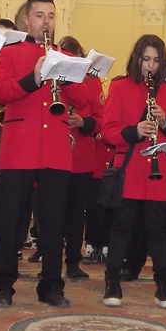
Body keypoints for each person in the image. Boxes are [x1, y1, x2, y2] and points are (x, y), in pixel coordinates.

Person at [0, 0, 89, 308]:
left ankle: (51, 286)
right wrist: (34, 76)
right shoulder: (10, 53)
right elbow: (1, 91)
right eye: (40, 15)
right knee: (10, 222)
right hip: (19, 149)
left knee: (53, 223)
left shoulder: (65, 55)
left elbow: (85, 97)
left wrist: (64, 74)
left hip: (55, 152)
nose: (46, 21)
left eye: (51, 16)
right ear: (27, 19)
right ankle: (3, 285)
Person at [100, 35, 166, 309]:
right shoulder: (119, 87)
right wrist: (135, 130)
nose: (150, 66)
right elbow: (107, 131)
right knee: (121, 227)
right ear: (137, 59)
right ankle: (112, 284)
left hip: (159, 168)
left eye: (156, 60)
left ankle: (163, 287)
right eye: (145, 59)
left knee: (159, 229)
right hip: (129, 168)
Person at [59, 35, 101, 281]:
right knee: (51, 211)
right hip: (55, 152)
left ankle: (73, 261)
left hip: (82, 155)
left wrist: (83, 122)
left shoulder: (92, 83)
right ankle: (49, 254)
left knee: (76, 213)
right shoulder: (51, 76)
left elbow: (102, 119)